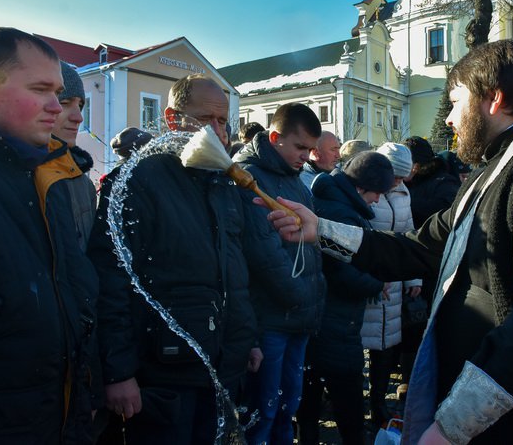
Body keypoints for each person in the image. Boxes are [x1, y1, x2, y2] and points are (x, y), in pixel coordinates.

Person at [261, 40, 513, 444]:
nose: (449, 120)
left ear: (494, 99)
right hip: (507, 417)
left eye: (456, 101)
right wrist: (319, 230)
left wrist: (451, 426)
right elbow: (420, 248)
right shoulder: (492, 172)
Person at [88, 74, 258, 444]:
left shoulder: (224, 183)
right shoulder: (136, 180)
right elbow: (110, 277)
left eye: (222, 122)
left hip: (223, 366)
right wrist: (118, 372)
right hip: (165, 373)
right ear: (171, 118)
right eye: (204, 119)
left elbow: (234, 267)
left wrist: (247, 337)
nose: (217, 131)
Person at [0, 27, 97, 443]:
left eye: (60, 93)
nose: (57, 108)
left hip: (56, 415)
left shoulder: (52, 171)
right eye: (42, 90)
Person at [234, 103, 325, 445]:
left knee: (289, 404)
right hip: (271, 317)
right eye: (300, 147)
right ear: (275, 138)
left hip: (298, 314)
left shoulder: (294, 178)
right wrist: (305, 297)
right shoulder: (248, 178)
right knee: (265, 409)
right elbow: (264, 254)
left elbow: (310, 244)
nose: (306, 156)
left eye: (310, 149)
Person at [297, 151, 395, 444]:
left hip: (327, 319)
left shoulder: (339, 205)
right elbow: (341, 271)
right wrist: (377, 284)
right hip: (334, 322)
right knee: (349, 406)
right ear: (361, 186)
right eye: (377, 192)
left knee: (310, 402)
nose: (378, 200)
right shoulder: (339, 213)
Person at [361, 142, 422, 428]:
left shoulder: (402, 192)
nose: (397, 182)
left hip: (394, 281)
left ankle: (378, 404)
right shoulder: (363, 190)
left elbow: (408, 233)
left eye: (401, 177)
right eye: (394, 176)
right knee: (365, 344)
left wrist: (413, 276)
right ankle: (362, 402)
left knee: (386, 347)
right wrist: (370, 277)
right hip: (370, 282)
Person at [53, 61, 97, 252]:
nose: (78, 117)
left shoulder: (82, 183)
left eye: (80, 105)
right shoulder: (14, 176)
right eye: (64, 103)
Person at [403, 136, 460, 229]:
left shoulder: (444, 183)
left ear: (416, 166)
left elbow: (448, 212)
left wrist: (405, 204)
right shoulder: (399, 182)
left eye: (404, 163)